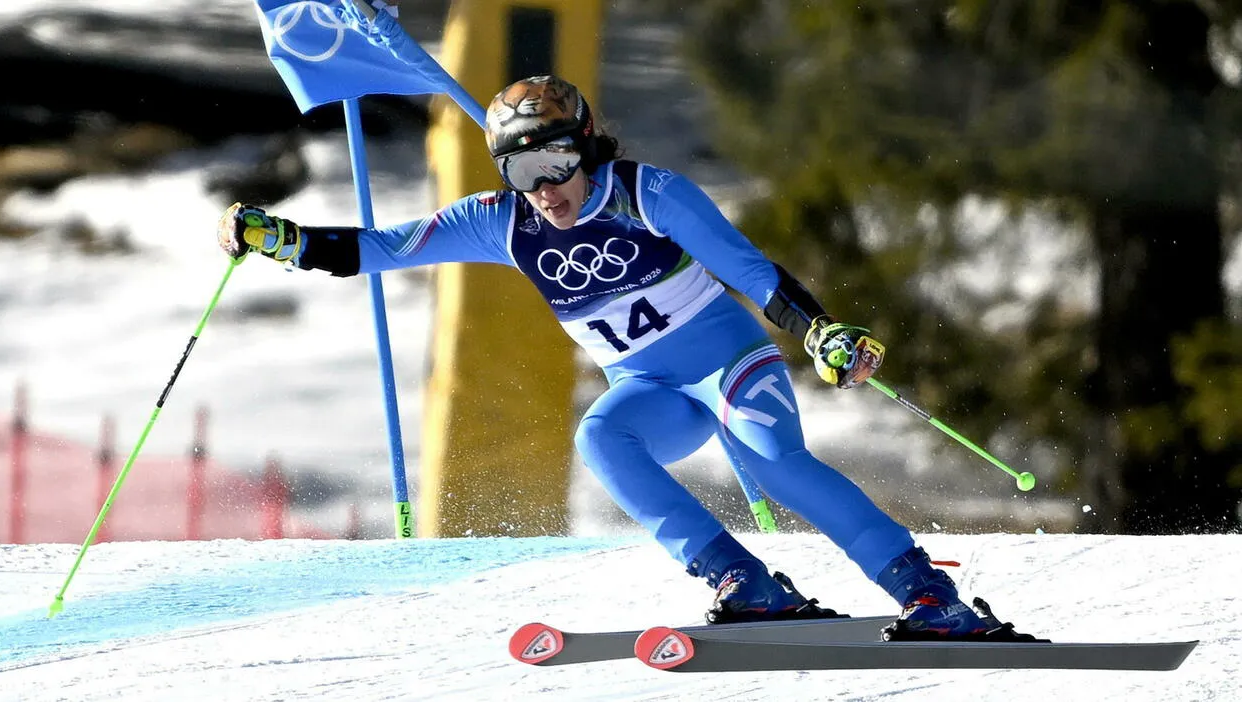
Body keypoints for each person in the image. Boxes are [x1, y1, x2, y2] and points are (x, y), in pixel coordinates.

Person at [217, 75, 1015, 640]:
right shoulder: (501, 222)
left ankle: (928, 593)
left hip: (730, 367)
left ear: (587, 146)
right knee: (601, 436)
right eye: (522, 170)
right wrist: (280, 239)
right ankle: (743, 582)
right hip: (652, 390)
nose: (545, 188)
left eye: (556, 162)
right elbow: (379, 248)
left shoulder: (648, 194)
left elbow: (750, 271)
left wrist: (819, 330)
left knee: (778, 465)